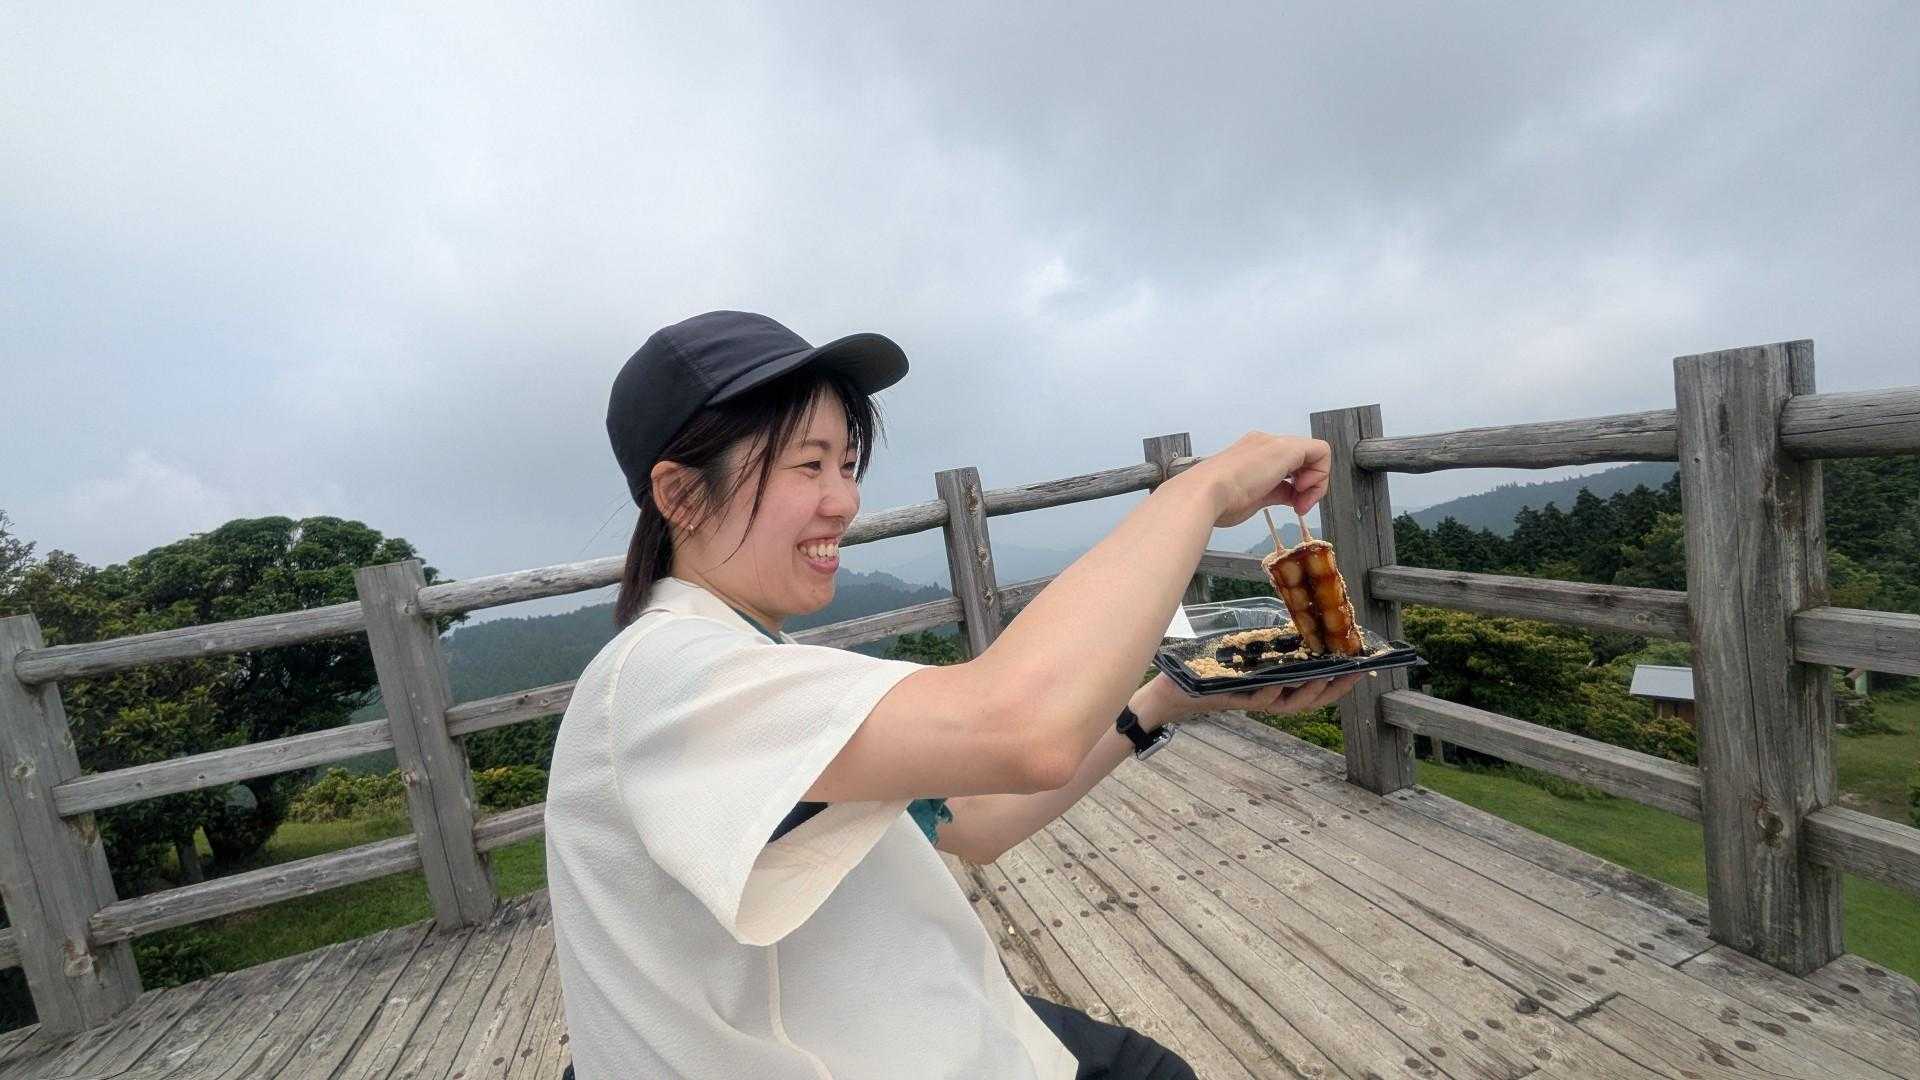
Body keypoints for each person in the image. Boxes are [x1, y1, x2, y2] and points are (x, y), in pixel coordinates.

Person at [545, 310, 1360, 1079]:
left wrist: (1168, 700)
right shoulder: (661, 676)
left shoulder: (752, 665)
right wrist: (1199, 491)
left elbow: (972, 819)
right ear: (682, 496)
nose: (845, 500)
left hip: (912, 1015)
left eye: (847, 465)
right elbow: (1025, 731)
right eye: (808, 464)